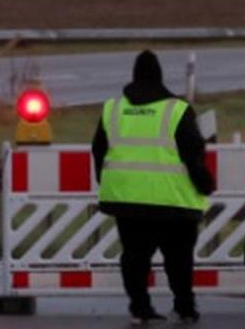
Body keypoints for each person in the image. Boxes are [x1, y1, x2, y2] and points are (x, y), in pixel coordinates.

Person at [91, 50, 215, 326]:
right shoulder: (176, 110)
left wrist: (108, 181)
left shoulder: (113, 109)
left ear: (133, 76)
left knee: (134, 257)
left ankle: (140, 308)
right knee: (179, 259)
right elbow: (193, 153)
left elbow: (99, 150)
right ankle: (184, 308)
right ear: (160, 77)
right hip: (173, 202)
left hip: (128, 200)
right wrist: (205, 183)